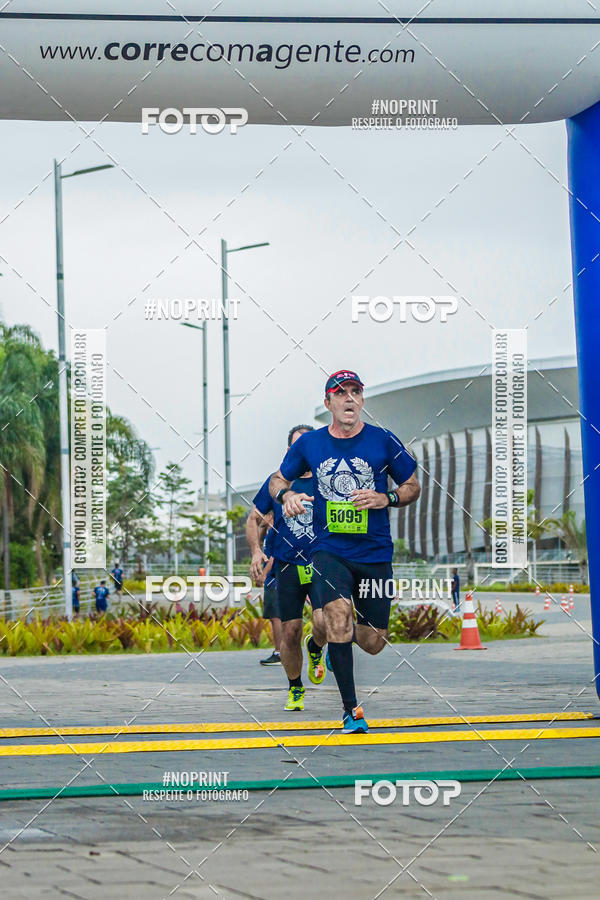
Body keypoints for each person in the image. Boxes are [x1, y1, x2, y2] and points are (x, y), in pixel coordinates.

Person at [270, 370, 420, 733]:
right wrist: (287, 496)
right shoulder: (310, 445)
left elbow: (412, 485)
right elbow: (277, 479)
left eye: (355, 392)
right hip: (328, 549)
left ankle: (322, 638)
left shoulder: (383, 440)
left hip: (374, 551)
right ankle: (351, 710)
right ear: (329, 403)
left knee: (373, 641)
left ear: (362, 400)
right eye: (341, 393)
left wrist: (387, 498)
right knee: (337, 616)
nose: (349, 399)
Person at [248, 424, 327, 711]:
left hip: (321, 562)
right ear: (289, 451)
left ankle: (316, 648)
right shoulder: (276, 484)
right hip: (287, 566)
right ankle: (295, 687)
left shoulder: (326, 480)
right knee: (290, 631)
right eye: (297, 446)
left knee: (323, 622)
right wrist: (257, 551)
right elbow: (252, 520)